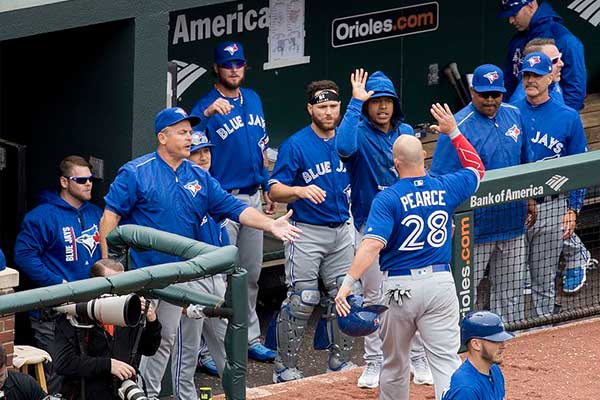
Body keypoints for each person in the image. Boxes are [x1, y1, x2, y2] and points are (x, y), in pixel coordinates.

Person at [98, 106, 300, 399]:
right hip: (152, 276)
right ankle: (148, 395)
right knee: (157, 342)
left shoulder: (198, 175)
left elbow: (235, 208)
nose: (189, 137)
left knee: (197, 336)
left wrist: (270, 224)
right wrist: (111, 269)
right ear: (162, 137)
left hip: (189, 272)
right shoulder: (136, 172)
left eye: (190, 131)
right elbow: (109, 218)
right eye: (182, 132)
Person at [336, 102, 486, 400]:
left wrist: (348, 282)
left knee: (394, 364)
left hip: (400, 288)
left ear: (395, 162)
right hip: (441, 285)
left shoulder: (388, 198)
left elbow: (372, 245)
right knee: (446, 363)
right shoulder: (445, 186)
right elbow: (477, 168)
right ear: (425, 157)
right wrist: (454, 132)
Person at [336, 69, 433, 388]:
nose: (381, 107)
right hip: (371, 224)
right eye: (375, 101)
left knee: (411, 293)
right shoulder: (359, 131)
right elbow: (344, 148)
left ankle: (417, 359)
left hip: (406, 225)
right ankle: (375, 361)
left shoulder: (405, 130)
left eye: (387, 101)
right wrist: (354, 102)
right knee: (375, 296)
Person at [190, 41, 277, 362]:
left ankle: (249, 338)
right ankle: (205, 350)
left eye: (239, 63)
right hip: (222, 201)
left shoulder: (252, 98)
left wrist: (267, 185)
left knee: (249, 274)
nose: (234, 69)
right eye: (228, 65)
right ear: (217, 68)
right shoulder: (206, 105)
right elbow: (184, 134)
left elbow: (260, 147)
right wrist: (206, 113)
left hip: (252, 197)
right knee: (216, 279)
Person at [268, 80, 357, 382]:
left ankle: (339, 362)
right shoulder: (296, 144)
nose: (329, 112)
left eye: (333, 106)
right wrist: (300, 191)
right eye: (322, 107)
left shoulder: (347, 139)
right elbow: (275, 190)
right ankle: (284, 367)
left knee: (346, 296)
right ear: (310, 109)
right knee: (303, 298)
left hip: (342, 230)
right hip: (306, 231)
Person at [430, 64, 531, 324]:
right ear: (473, 91)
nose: (490, 100)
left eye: (495, 94)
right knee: (464, 297)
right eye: (484, 94)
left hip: (513, 223)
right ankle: (462, 349)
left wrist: (530, 197)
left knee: (510, 296)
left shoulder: (514, 114)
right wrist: (446, 217)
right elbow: (440, 180)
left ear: (503, 93)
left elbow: (524, 163)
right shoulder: (456, 126)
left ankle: (512, 349)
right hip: (473, 230)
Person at [510, 38, 597, 293]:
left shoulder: (567, 115)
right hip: (517, 203)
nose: (530, 81)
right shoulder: (511, 111)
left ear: (549, 78)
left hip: (551, 202)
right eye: (527, 75)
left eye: (536, 75)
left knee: (543, 281)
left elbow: (578, 165)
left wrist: (573, 209)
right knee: (512, 281)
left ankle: (544, 327)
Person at [13, 156, 103, 393]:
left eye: (90, 179)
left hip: (91, 309)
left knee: (91, 373)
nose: (88, 184)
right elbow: (24, 256)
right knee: (57, 374)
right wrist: (58, 284)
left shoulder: (97, 213)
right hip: (53, 311)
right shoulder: (42, 215)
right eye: (81, 179)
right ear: (64, 181)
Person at [171, 131, 229, 400]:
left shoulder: (213, 188)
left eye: (207, 150)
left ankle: (235, 392)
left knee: (227, 346)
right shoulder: (178, 191)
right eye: (197, 151)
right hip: (191, 277)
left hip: (217, 276)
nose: (204, 156)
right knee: (188, 350)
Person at [54, 259, 162, 400]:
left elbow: (149, 349)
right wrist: (108, 364)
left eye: (123, 285)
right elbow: (64, 363)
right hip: (86, 392)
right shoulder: (75, 314)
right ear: (95, 285)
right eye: (112, 285)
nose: (118, 292)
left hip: (121, 392)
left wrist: (152, 320)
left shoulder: (129, 312)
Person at [500, 0, 586, 110]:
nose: (511, 20)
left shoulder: (565, 40)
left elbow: (575, 91)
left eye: (514, 14)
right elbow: (509, 83)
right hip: (519, 117)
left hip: (553, 117)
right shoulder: (516, 41)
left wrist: (560, 120)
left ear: (530, 5)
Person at [442, 311, 514, 400]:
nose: (503, 346)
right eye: (495, 341)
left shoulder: (494, 370)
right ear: (476, 344)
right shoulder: (466, 389)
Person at [509, 38, 564, 105]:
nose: (561, 64)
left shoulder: (552, 82)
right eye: (555, 61)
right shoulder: (519, 104)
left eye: (560, 57)